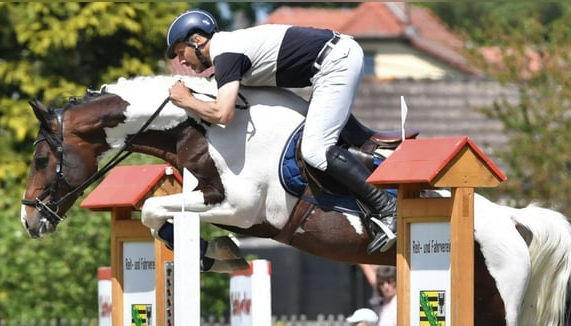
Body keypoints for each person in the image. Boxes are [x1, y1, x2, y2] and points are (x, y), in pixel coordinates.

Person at [165, 9, 397, 254]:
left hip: (335, 62)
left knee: (315, 151)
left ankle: (387, 207)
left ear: (198, 40)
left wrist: (186, 100)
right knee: (331, 142)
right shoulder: (229, 52)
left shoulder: (227, 53)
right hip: (333, 61)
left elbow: (223, 114)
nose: (181, 60)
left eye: (181, 52)